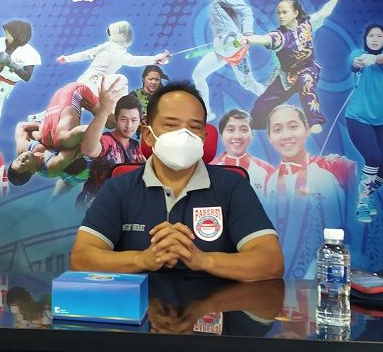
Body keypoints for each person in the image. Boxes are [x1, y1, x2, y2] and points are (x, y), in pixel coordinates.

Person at [70, 81, 283, 281]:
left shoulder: (232, 186)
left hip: (215, 314)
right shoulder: (119, 187)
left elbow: (271, 263)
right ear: (148, 134)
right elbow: (81, 258)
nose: (184, 135)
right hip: (140, 312)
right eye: (171, 125)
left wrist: (203, 260)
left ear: (203, 138)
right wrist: (143, 259)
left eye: (194, 127)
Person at [264, 104, 356, 278]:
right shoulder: (269, 179)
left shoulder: (336, 167)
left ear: (306, 129)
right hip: (279, 274)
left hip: (324, 272)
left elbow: (354, 222)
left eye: (293, 126)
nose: (286, 136)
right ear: (269, 137)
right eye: (277, 129)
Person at [243, 0, 345, 134]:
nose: (281, 16)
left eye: (285, 12)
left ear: (295, 13)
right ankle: (255, 123)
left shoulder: (307, 24)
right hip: (286, 76)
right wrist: (246, 39)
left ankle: (315, 121)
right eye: (278, 13)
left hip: (307, 69)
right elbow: (262, 38)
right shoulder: (279, 36)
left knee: (306, 83)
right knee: (263, 103)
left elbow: (325, 12)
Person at [192, 0, 265, 121]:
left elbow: (245, 10)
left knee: (248, 83)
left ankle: (274, 102)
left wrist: (248, 34)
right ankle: (206, 113)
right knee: (198, 75)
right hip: (221, 48)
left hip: (233, 44)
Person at [345, 24, 383, 222]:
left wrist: (374, 59)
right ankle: (362, 202)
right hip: (358, 118)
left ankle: (368, 195)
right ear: (365, 38)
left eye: (379, 36)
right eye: (371, 35)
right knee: (374, 158)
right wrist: (359, 62)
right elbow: (353, 63)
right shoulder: (357, 54)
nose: (375, 39)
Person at [56, 21, 169, 99]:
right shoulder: (114, 49)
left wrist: (67, 58)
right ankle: (123, 110)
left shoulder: (109, 46)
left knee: (75, 108)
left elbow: (87, 54)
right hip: (92, 83)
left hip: (91, 83)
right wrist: (155, 59)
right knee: (121, 79)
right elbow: (133, 61)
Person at [78, 83, 145, 208]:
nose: (129, 126)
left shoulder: (136, 146)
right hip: (92, 207)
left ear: (140, 120)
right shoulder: (108, 141)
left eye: (134, 120)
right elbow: (88, 149)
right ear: (116, 119)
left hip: (120, 208)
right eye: (124, 119)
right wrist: (103, 111)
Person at [210, 109, 274, 197]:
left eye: (244, 130)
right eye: (231, 130)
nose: (237, 136)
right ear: (221, 135)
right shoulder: (210, 171)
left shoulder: (268, 171)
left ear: (252, 135)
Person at [129, 65, 169, 136]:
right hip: (138, 136)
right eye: (150, 79)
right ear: (143, 79)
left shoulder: (164, 97)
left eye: (157, 79)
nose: (153, 82)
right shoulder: (134, 95)